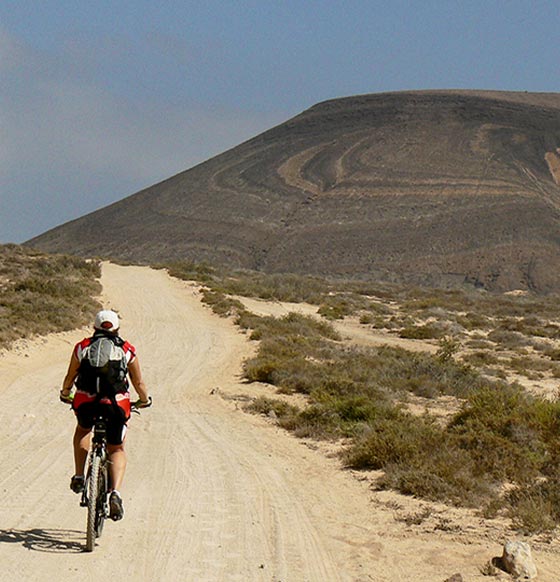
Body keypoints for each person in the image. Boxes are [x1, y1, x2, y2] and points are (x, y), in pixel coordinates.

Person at [60, 309, 151, 521]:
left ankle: (80, 475)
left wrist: (65, 393)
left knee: (83, 430)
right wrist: (144, 400)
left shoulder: (82, 347)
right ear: (117, 328)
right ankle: (115, 494)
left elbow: (71, 375)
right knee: (116, 447)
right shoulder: (127, 349)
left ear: (95, 328)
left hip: (86, 402)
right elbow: (138, 383)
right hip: (116, 405)